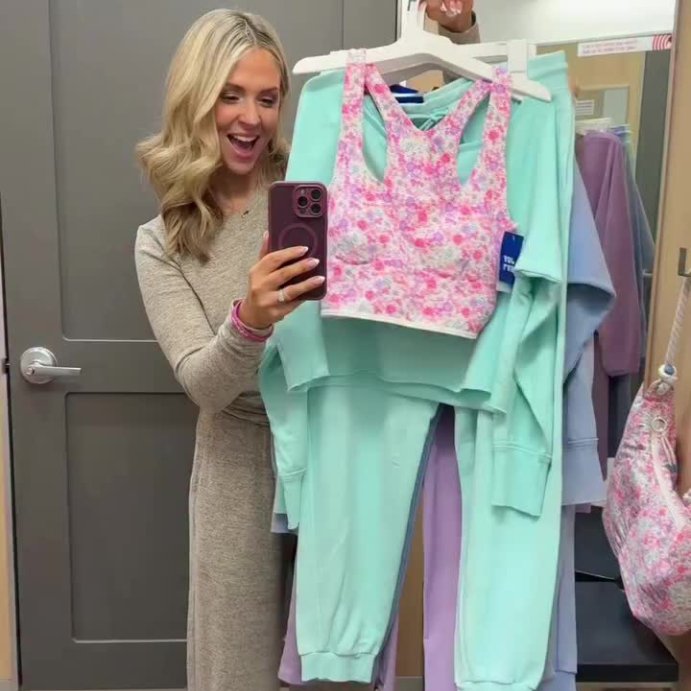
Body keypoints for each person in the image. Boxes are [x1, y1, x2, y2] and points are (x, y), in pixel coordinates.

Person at [134, 5, 476, 690]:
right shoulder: (162, 240)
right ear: (195, 99)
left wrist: (460, 35)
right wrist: (251, 318)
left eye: (267, 99)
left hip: (337, 447)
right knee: (238, 669)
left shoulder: (323, 179)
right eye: (230, 95)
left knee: (339, 658)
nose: (251, 118)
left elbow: (438, 159)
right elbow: (204, 384)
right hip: (238, 469)